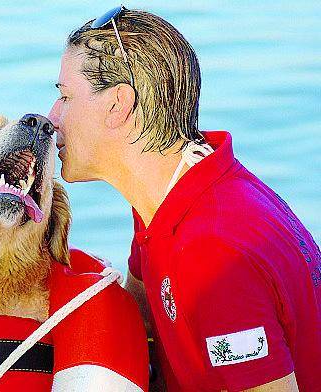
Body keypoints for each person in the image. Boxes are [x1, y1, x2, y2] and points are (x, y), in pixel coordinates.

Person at [47, 5, 321, 392]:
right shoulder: (170, 192)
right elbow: (140, 329)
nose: (52, 116)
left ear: (117, 106)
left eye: (65, 97)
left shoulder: (211, 253)